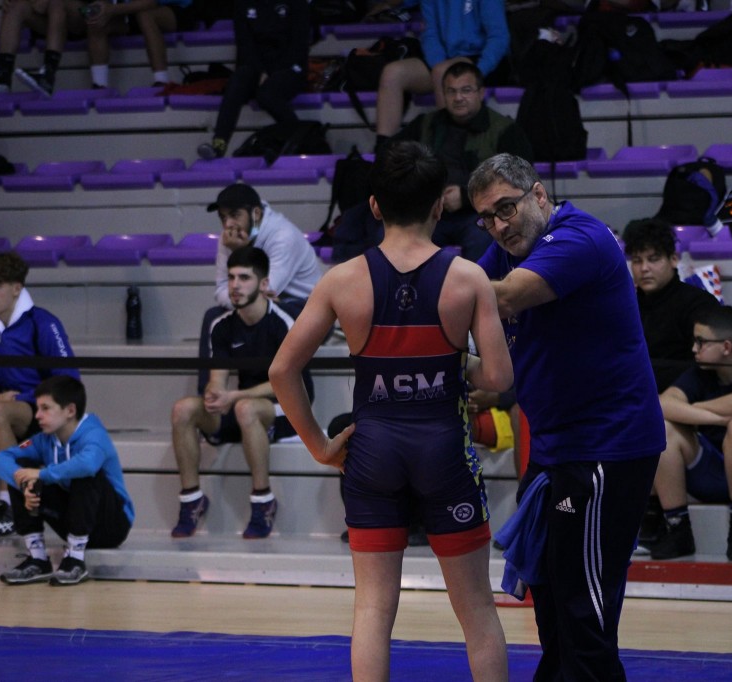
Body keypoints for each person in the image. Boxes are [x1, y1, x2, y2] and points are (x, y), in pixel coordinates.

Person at [269, 141, 512, 681]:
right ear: (440, 204)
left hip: (373, 450)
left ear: (374, 206)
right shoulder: (468, 277)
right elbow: (499, 377)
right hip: (444, 449)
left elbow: (282, 370)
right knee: (477, 611)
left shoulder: (341, 280)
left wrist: (319, 446)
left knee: (373, 610)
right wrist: (452, 365)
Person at [468, 153, 664, 680]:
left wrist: (408, 288)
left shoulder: (581, 238)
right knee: (551, 594)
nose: (498, 226)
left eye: (505, 209)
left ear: (538, 194)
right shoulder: (503, 250)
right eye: (486, 218)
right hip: (557, 447)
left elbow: (502, 298)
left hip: (606, 448)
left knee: (583, 607)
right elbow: (475, 301)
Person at [171, 246, 298, 540]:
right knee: (183, 409)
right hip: (244, 407)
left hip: (288, 409)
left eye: (244, 278)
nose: (235, 286)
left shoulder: (284, 323)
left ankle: (263, 502)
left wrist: (235, 397)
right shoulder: (222, 326)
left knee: (246, 408)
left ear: (263, 284)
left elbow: (287, 384)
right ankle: (192, 500)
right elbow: (217, 378)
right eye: (230, 278)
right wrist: (214, 394)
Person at [0, 251, 79, 539]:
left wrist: (23, 397)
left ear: (16, 288)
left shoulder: (43, 323)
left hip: (38, 411)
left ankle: (10, 507)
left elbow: (69, 380)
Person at [648, 305, 732, 562]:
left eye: (701, 342)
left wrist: (693, 409)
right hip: (711, 471)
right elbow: (662, 404)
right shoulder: (699, 373)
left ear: (727, 347)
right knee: (663, 428)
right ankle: (677, 528)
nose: (693, 349)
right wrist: (718, 418)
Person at [622, 217, 720, 555]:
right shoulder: (623, 304)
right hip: (636, 404)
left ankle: (669, 523)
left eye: (653, 259)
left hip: (688, 414)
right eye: (637, 260)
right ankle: (644, 516)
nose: (644, 268)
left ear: (674, 259)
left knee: (651, 424)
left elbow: (708, 367)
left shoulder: (699, 304)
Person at [0, 375, 134, 586]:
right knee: (21, 471)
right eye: (37, 408)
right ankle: (38, 559)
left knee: (85, 472)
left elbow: (88, 464)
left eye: (45, 408)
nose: (37, 415)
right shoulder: (44, 439)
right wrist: (24, 483)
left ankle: (75, 560)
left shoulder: (94, 434)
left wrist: (41, 475)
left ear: (70, 411)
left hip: (111, 526)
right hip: (72, 521)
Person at [391, 61, 533, 261]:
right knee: (397, 234)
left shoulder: (505, 130)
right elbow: (392, 158)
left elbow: (521, 180)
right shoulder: (425, 125)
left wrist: (466, 197)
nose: (458, 98)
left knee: (486, 237)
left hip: (483, 214)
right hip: (430, 212)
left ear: (481, 93)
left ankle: (483, 283)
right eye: (451, 91)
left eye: (466, 90)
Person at [198, 182, 322, 394]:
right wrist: (247, 296)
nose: (228, 224)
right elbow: (223, 290)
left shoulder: (283, 236)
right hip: (266, 304)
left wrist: (239, 252)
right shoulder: (229, 237)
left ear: (255, 213)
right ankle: (209, 396)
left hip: (306, 309)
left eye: (235, 215)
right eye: (223, 217)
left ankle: (286, 394)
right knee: (213, 316)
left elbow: (258, 293)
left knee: (268, 314)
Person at [373, 0, 510, 142]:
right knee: (392, 73)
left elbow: (499, 37)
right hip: (443, 59)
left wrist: (479, 71)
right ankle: (383, 148)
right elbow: (430, 35)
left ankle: (450, 145)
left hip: (482, 59)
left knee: (442, 72)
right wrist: (437, 64)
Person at [196, 0, 310, 160]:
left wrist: (272, 72)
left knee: (267, 94)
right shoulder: (242, 3)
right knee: (237, 81)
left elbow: (299, 44)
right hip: (257, 65)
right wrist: (261, 70)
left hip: (290, 66)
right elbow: (245, 44)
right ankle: (218, 145)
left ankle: (301, 141)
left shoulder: (296, 3)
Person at [0, 0, 88, 97]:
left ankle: (47, 76)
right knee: (15, 6)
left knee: (57, 3)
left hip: (85, 14)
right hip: (48, 17)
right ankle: (3, 77)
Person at [79, 0, 198, 89]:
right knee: (95, 21)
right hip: (133, 10)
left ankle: (162, 80)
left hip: (178, 8)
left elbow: (150, 2)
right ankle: (99, 85)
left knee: (145, 15)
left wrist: (112, 9)